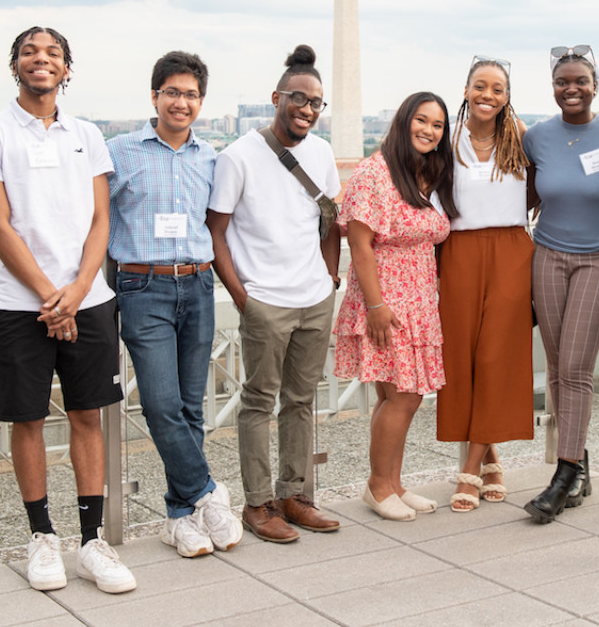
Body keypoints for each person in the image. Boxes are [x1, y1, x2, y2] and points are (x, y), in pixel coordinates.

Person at [0, 27, 136, 593]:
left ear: (68, 69)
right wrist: (49, 296)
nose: (42, 61)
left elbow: (100, 221)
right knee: (28, 418)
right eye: (30, 53)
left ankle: (92, 541)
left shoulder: (87, 134)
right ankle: (42, 536)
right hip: (21, 305)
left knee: (90, 414)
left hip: (88, 301)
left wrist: (79, 289)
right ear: (14, 64)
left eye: (53, 54)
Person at [107, 50, 244, 558]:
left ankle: (180, 514)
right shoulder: (119, 152)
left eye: (190, 95)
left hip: (199, 283)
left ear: (201, 102)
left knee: (190, 408)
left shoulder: (211, 159)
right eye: (172, 92)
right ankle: (210, 491)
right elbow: (89, 214)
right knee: (159, 404)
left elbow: (223, 224)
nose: (181, 102)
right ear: (155, 96)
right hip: (144, 287)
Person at [206, 45, 342, 543]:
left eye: (316, 103)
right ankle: (258, 504)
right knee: (259, 402)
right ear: (276, 98)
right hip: (266, 301)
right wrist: (245, 299)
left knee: (302, 401)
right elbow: (215, 232)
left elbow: (330, 220)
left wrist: (328, 279)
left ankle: (296, 496)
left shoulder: (322, 153)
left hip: (314, 299)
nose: (307, 109)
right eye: (298, 98)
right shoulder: (238, 156)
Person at [523, 45, 599, 524]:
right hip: (547, 255)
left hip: (598, 259)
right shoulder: (538, 138)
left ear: (596, 86)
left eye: (581, 81)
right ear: (553, 87)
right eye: (562, 82)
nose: (572, 89)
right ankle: (581, 465)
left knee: (575, 367)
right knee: (556, 366)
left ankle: (563, 473)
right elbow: (522, 199)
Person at [334, 92, 457, 521]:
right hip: (386, 300)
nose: (428, 130)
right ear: (403, 122)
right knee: (405, 398)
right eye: (420, 121)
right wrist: (376, 306)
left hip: (420, 301)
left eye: (437, 125)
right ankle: (377, 485)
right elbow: (360, 245)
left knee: (396, 397)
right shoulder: (374, 173)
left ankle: (394, 483)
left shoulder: (426, 174)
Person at [437, 56, 533, 513]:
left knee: (496, 354)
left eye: (497, 88)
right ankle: (491, 455)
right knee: (463, 356)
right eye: (480, 86)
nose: (488, 95)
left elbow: (536, 192)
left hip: (511, 251)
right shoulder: (446, 141)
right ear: (466, 90)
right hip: (458, 252)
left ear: (507, 96)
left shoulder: (522, 140)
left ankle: (470, 468)